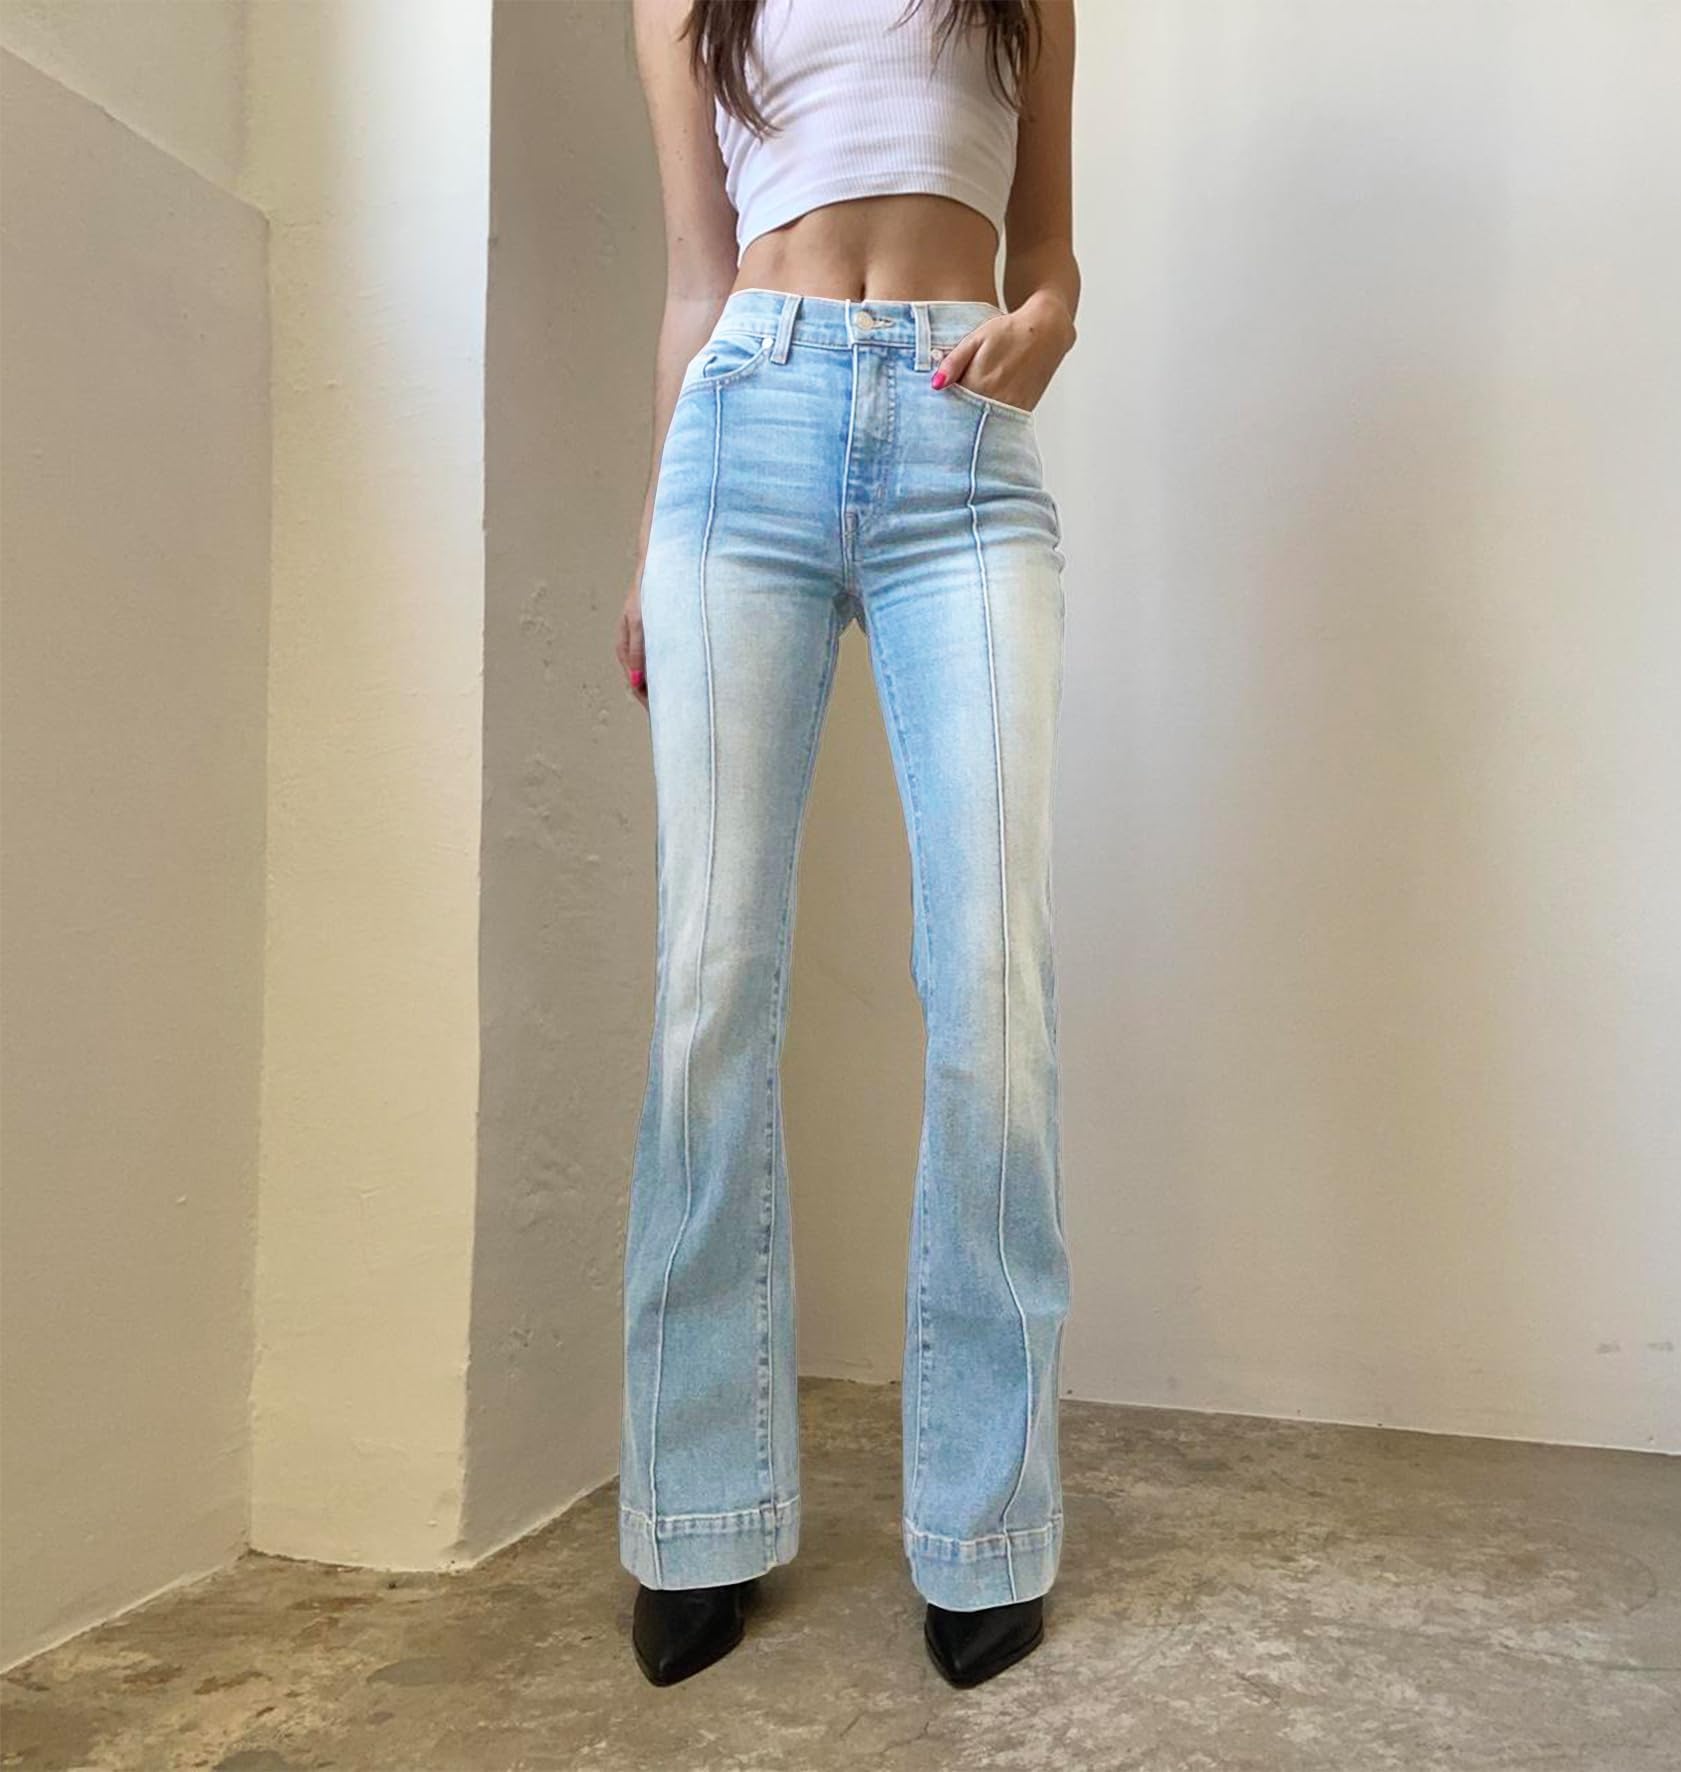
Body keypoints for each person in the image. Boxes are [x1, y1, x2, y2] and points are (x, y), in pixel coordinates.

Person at [619, 0, 1078, 1689]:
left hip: (964, 448)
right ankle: (696, 1508)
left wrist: (1045, 327)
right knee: (710, 983)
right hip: (744, 431)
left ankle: (985, 1524)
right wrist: (648, 541)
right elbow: (695, 278)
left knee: (992, 985)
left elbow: (1051, 258)